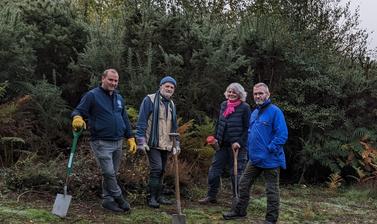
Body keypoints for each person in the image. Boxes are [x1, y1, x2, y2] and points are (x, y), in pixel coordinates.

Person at [71, 68, 136, 213]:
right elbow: (78, 111)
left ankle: (107, 200)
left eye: (116, 80)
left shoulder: (119, 98)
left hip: (118, 141)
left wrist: (130, 137)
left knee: (112, 172)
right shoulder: (92, 95)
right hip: (101, 142)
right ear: (103, 79)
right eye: (111, 80)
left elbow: (124, 118)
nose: (113, 83)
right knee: (108, 173)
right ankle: (119, 198)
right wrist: (77, 118)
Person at [223, 82, 288, 224]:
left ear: (268, 94)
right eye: (256, 94)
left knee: (271, 191)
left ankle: (270, 220)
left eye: (261, 93)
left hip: (271, 160)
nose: (258, 96)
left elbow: (282, 135)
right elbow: (251, 133)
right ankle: (240, 211)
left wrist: (269, 149)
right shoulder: (255, 112)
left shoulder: (275, 112)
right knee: (243, 184)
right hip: (254, 159)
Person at [198, 83, 250, 205]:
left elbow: (248, 128)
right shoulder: (223, 105)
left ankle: (237, 199)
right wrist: (215, 138)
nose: (231, 94)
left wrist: (239, 142)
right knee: (214, 171)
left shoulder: (245, 107)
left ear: (239, 94)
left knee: (236, 173)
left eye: (234, 92)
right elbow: (219, 123)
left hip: (237, 147)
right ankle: (211, 196)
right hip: (222, 145)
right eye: (229, 91)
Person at [135, 75, 180, 208]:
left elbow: (174, 126)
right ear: (161, 86)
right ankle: (152, 198)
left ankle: (159, 196)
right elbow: (142, 121)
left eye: (172, 87)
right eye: (167, 86)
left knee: (162, 170)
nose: (169, 89)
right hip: (152, 142)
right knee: (156, 168)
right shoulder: (149, 99)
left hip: (166, 143)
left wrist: (176, 144)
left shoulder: (171, 104)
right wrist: (141, 141)